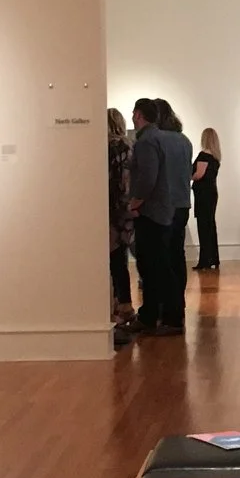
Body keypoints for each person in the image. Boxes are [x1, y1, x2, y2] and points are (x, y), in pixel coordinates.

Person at [127, 98, 193, 334]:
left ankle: (163, 313)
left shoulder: (152, 141)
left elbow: (149, 177)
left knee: (156, 263)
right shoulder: (183, 141)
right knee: (174, 259)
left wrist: (135, 202)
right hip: (181, 204)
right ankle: (173, 310)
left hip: (159, 208)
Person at [106, 108, 136, 341]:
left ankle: (117, 305)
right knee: (121, 259)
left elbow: (111, 182)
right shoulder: (129, 146)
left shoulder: (109, 148)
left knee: (113, 259)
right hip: (127, 210)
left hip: (112, 209)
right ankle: (124, 304)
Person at [191, 127, 222, 272]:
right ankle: (213, 258)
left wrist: (188, 176)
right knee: (210, 225)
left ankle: (205, 260)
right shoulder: (215, 158)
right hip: (211, 193)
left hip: (203, 195)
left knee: (203, 226)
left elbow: (199, 175)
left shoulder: (203, 156)